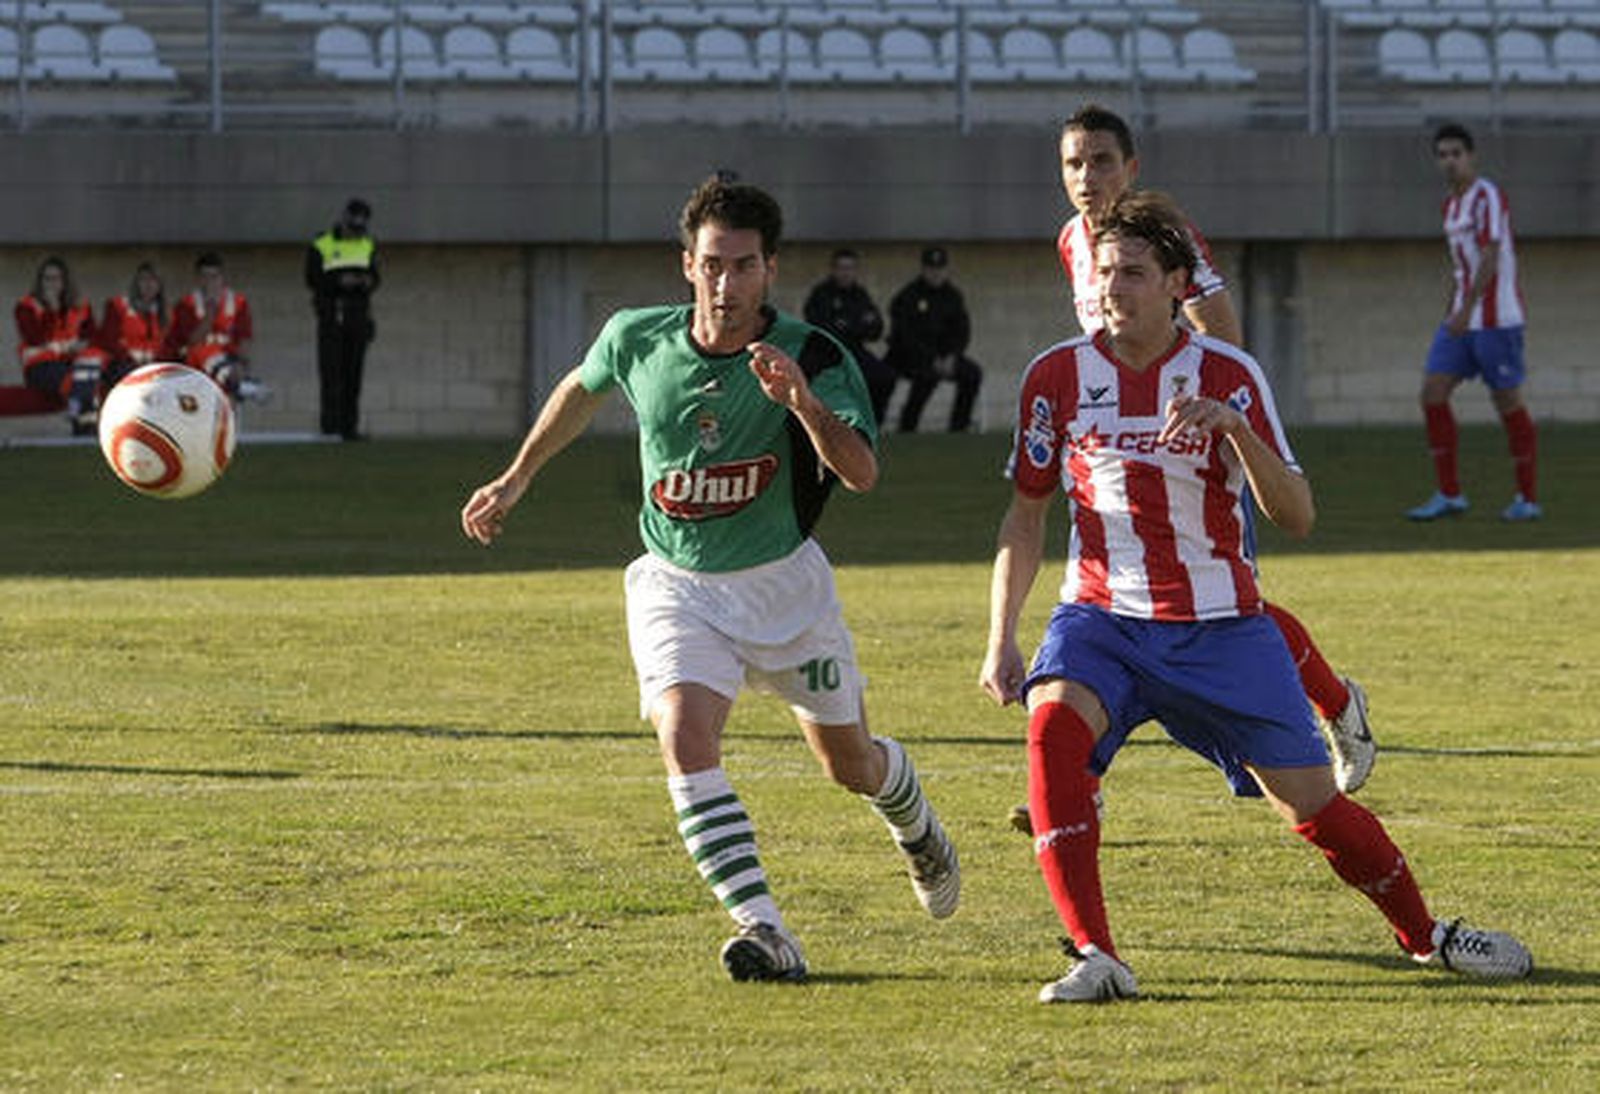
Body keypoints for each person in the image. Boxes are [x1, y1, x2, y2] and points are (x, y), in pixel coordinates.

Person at [979, 190, 1531, 1004]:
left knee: (1314, 807)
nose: (1112, 289)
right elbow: (1025, 514)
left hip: (1223, 630)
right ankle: (1099, 956)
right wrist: (1001, 637)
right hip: (1101, 621)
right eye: (1103, 273)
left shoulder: (1230, 376)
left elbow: (1298, 515)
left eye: (1132, 272)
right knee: (1052, 731)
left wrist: (1234, 430)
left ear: (1174, 284)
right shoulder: (1056, 374)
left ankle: (1429, 937)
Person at [460, 175, 959, 983]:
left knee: (850, 765)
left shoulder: (815, 355)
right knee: (684, 735)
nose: (727, 285)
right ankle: (764, 928)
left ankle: (916, 826)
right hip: (677, 585)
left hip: (786, 592)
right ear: (686, 265)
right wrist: (516, 479)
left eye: (745, 267)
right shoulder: (637, 337)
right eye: (713, 264)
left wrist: (800, 404)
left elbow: (861, 473)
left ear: (771, 270)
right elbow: (579, 390)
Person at [1035, 101, 1375, 804]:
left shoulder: (1168, 237)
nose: (1088, 176)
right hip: (1119, 454)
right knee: (1121, 606)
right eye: (1075, 162)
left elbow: (1221, 341)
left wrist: (1219, 424)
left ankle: (1339, 707)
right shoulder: (1073, 240)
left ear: (1131, 167)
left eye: (1102, 161)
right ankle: (1079, 774)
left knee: (1225, 600)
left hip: (1194, 444)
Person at [1407, 123, 1540, 523]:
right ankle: (1450, 494)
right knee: (1432, 392)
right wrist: (1452, 311)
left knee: (1507, 403)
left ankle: (1527, 498)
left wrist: (1467, 309)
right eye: (1443, 155)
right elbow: (1459, 266)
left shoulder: (1488, 197)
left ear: (1471, 156)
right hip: (1462, 321)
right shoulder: (1451, 205)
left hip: (1496, 320)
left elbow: (1491, 255)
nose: (1450, 161)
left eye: (1456, 154)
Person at [883, 246, 983, 433]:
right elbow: (905, 335)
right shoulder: (908, 296)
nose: (936, 274)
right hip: (909, 357)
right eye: (931, 269)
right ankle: (907, 427)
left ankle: (959, 427)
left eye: (940, 269)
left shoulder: (953, 296)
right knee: (926, 376)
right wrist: (931, 359)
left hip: (945, 356)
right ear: (923, 269)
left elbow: (962, 331)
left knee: (972, 374)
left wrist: (952, 356)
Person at [306, 198, 381, 440]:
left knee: (353, 375)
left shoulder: (368, 245)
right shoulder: (322, 244)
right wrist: (339, 282)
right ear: (344, 220)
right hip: (331, 317)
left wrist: (365, 282)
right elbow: (312, 278)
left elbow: (375, 278)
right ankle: (330, 429)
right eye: (352, 227)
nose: (354, 234)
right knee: (331, 374)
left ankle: (350, 429)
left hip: (357, 316)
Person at [14, 256, 109, 435]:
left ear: (65, 281)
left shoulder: (80, 305)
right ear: (40, 281)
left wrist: (72, 347)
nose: (52, 283)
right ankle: (83, 419)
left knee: (91, 368)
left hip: (74, 364)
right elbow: (35, 338)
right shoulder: (27, 306)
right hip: (41, 366)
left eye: (57, 278)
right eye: (47, 278)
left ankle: (82, 419)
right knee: (78, 379)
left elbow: (92, 337)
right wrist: (52, 307)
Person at [803, 248, 895, 425]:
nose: (846, 273)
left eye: (850, 268)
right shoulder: (821, 294)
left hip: (854, 351)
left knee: (884, 377)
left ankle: (873, 424)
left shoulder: (860, 294)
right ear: (833, 269)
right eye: (842, 268)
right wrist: (857, 324)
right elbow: (821, 327)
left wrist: (849, 325)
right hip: (826, 353)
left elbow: (876, 329)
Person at [164, 251, 261, 401]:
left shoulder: (238, 303)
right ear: (197, 279)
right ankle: (238, 384)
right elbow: (193, 341)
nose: (209, 282)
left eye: (214, 277)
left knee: (228, 369)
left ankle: (235, 380)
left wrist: (243, 364)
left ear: (222, 278)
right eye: (204, 277)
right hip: (195, 366)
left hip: (229, 360)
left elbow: (244, 340)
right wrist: (210, 313)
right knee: (201, 350)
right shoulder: (186, 304)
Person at [98, 262, 169, 389]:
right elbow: (109, 341)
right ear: (136, 283)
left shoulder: (164, 313)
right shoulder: (118, 306)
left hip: (153, 367)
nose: (148, 285)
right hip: (123, 365)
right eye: (144, 279)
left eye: (154, 280)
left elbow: (166, 344)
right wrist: (131, 355)